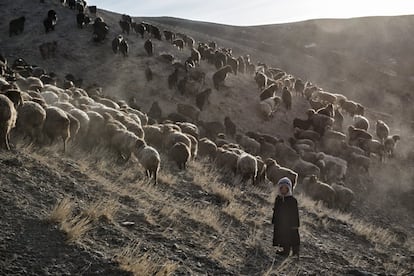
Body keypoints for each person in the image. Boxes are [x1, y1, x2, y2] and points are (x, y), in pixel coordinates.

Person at [272, 177, 300, 257]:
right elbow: (276, 210)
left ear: (289, 188)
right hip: (281, 223)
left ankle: (295, 253)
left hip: (291, 223)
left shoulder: (292, 200)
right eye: (281, 188)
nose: (283, 189)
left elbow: (295, 213)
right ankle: (285, 251)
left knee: (293, 237)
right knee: (283, 237)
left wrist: (295, 224)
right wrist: (274, 220)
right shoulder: (278, 199)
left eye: (285, 188)